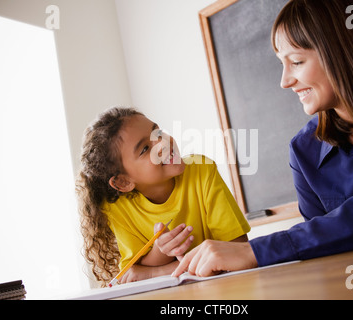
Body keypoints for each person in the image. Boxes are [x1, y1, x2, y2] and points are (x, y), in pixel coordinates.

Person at [172, 0, 353, 278]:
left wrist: (254, 251)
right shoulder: (304, 149)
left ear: (345, 51)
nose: (285, 81)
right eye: (282, 64)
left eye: (296, 62)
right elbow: (323, 245)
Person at [76, 107, 250, 285]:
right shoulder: (116, 208)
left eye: (157, 132)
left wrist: (154, 272)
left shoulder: (202, 171)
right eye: (144, 149)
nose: (161, 143)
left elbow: (238, 251)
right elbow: (131, 274)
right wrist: (161, 252)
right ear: (123, 182)